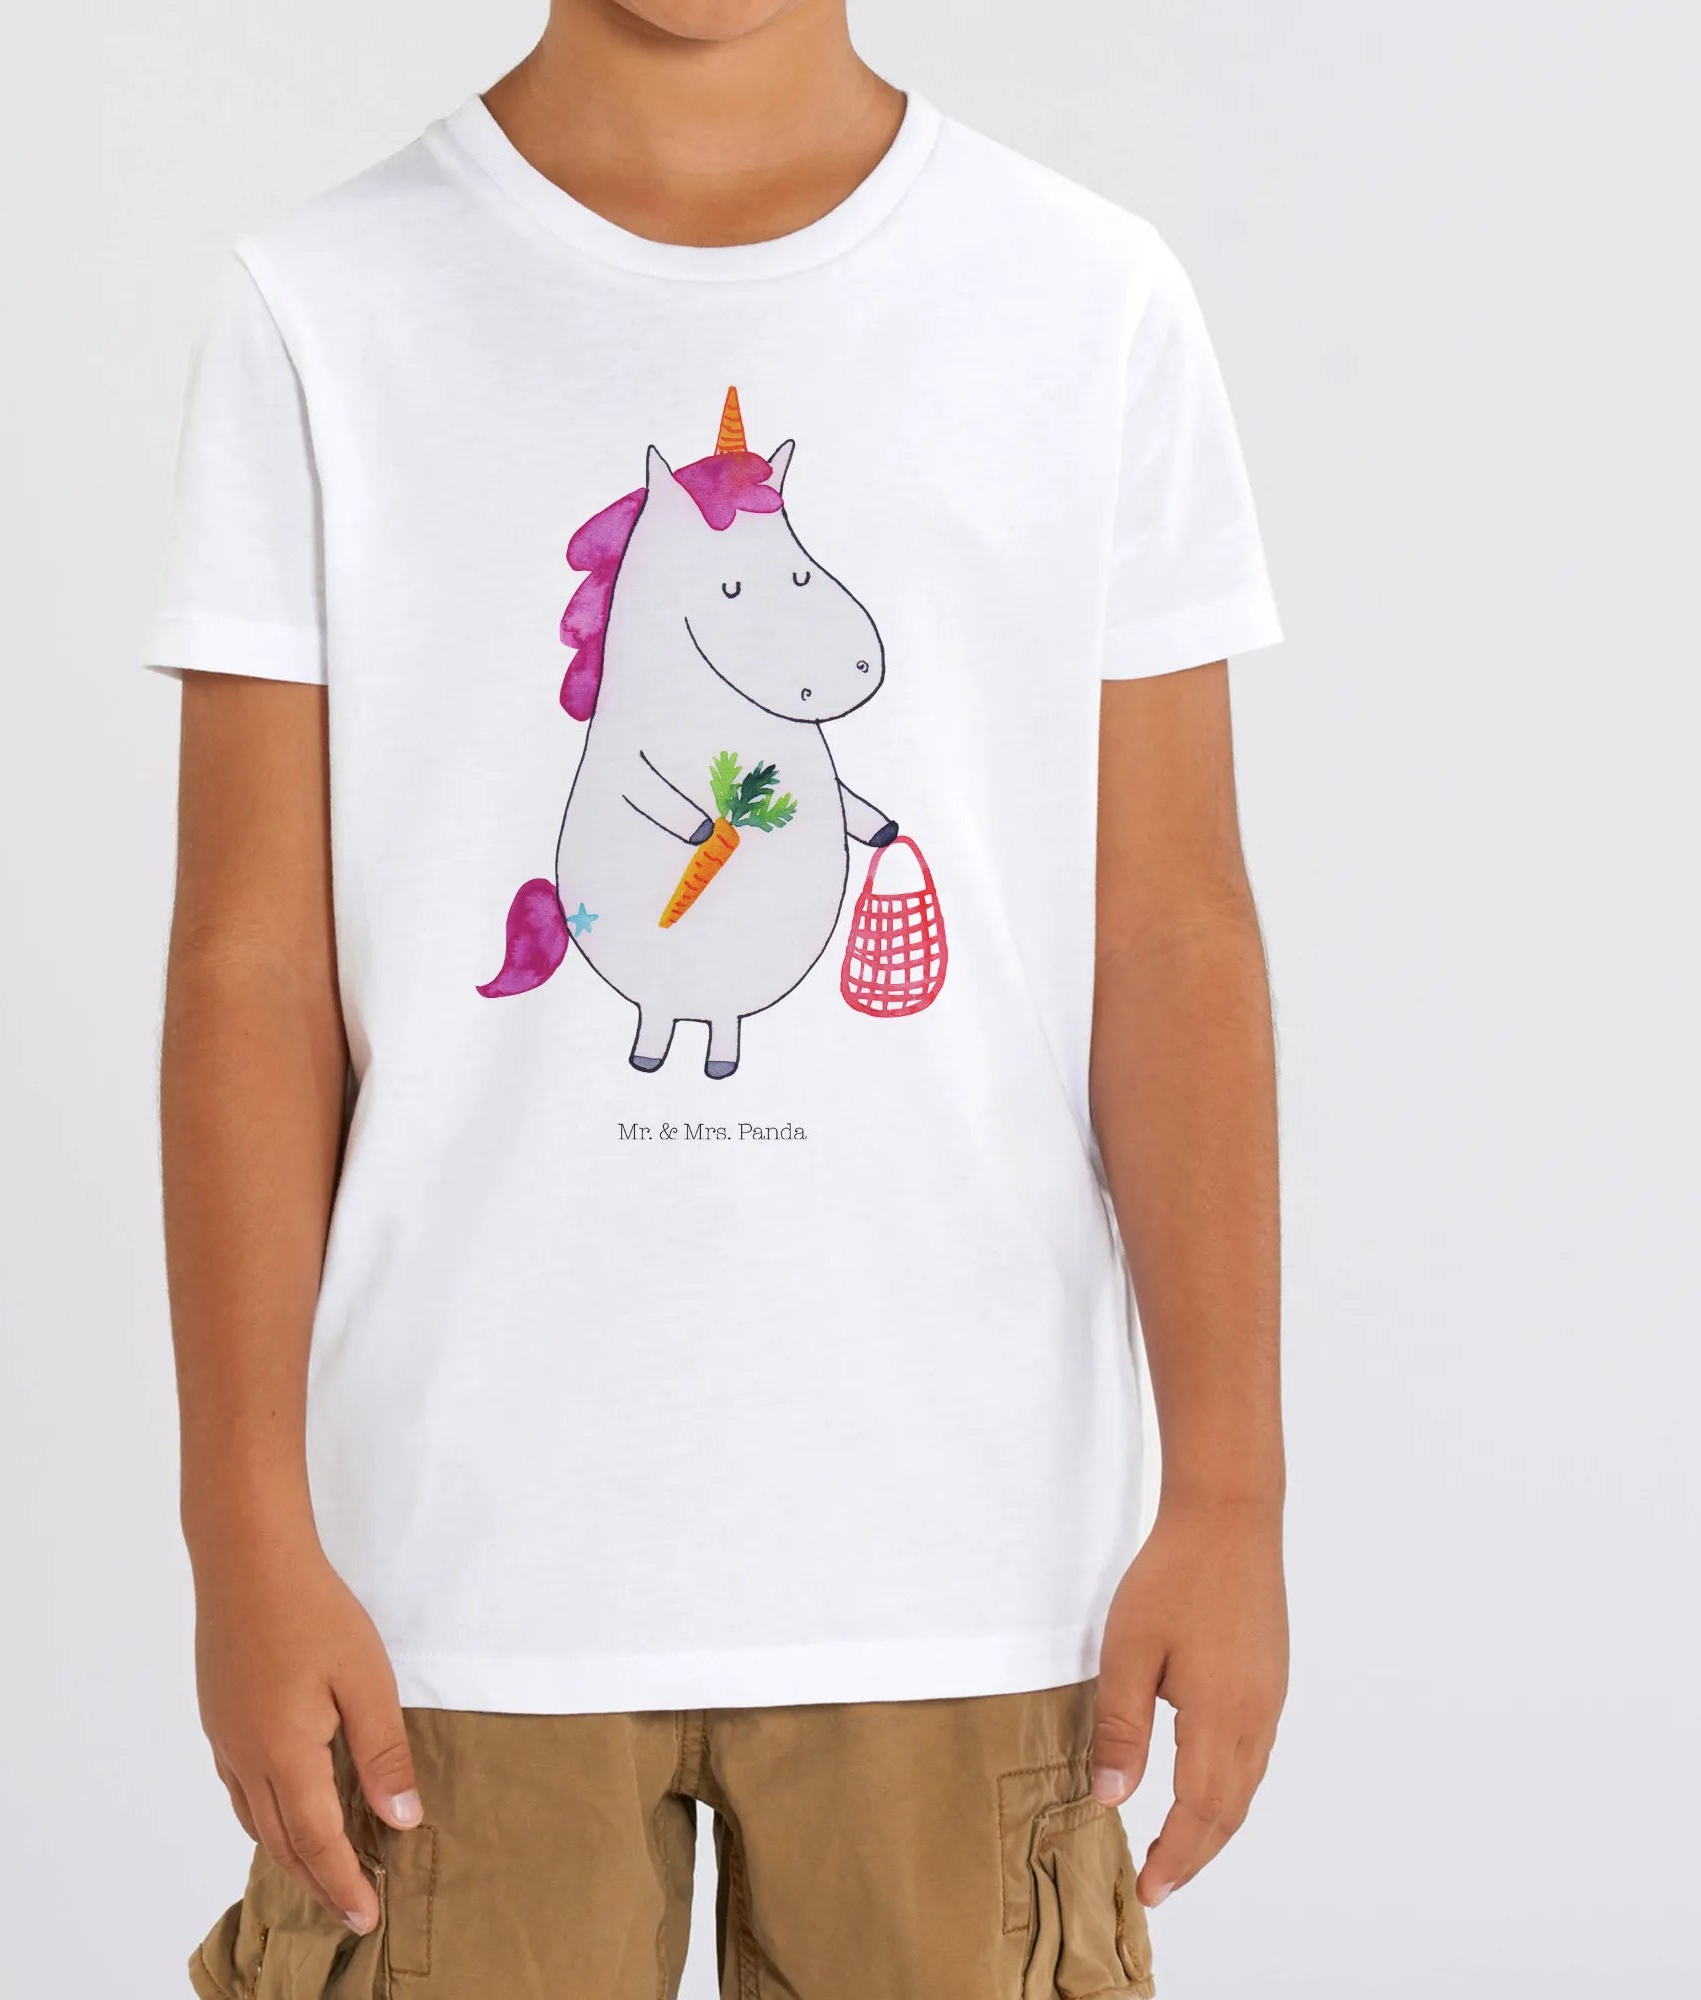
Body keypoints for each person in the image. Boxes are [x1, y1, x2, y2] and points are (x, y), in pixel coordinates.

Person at [152, 2, 1287, 1993]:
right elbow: (252, 969)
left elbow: (1172, 937)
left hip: (962, 1579)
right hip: (447, 1598)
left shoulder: (1086, 304)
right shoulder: (321, 311)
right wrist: (241, 1521)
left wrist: (1232, 1488)